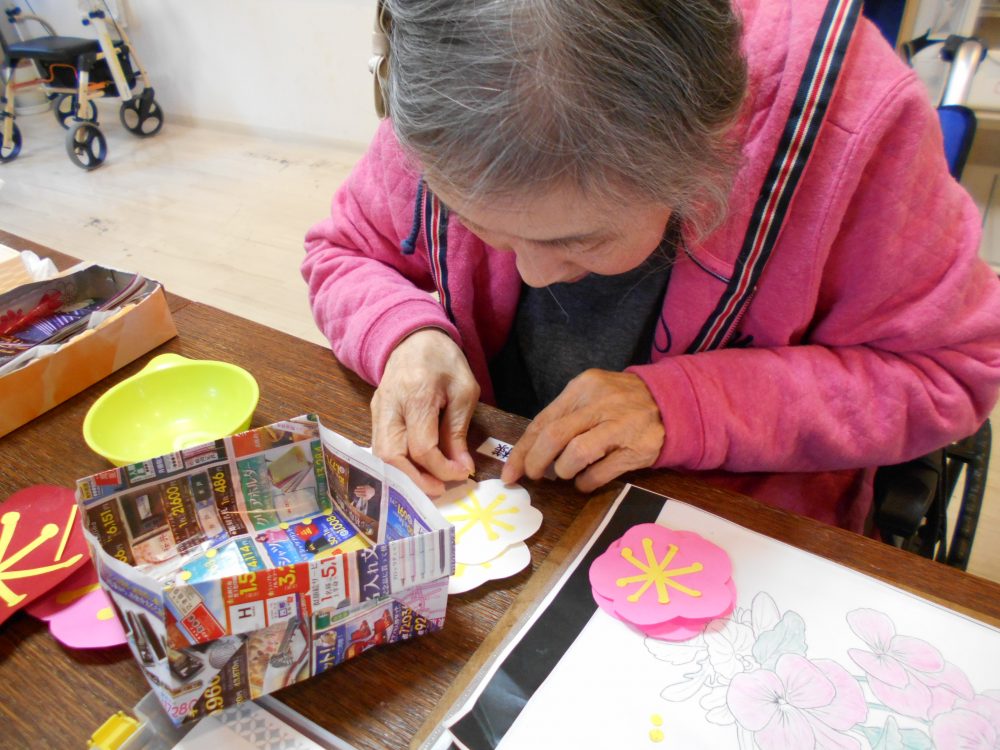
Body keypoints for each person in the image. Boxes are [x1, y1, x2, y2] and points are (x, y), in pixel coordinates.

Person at [302, 0, 1000, 533]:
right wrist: (408, 335)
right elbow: (344, 250)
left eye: (580, 240)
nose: (537, 275)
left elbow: (952, 371)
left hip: (733, 527)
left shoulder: (850, 131)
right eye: (483, 227)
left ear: (705, 157)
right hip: (515, 492)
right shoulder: (452, 83)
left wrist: (690, 407)